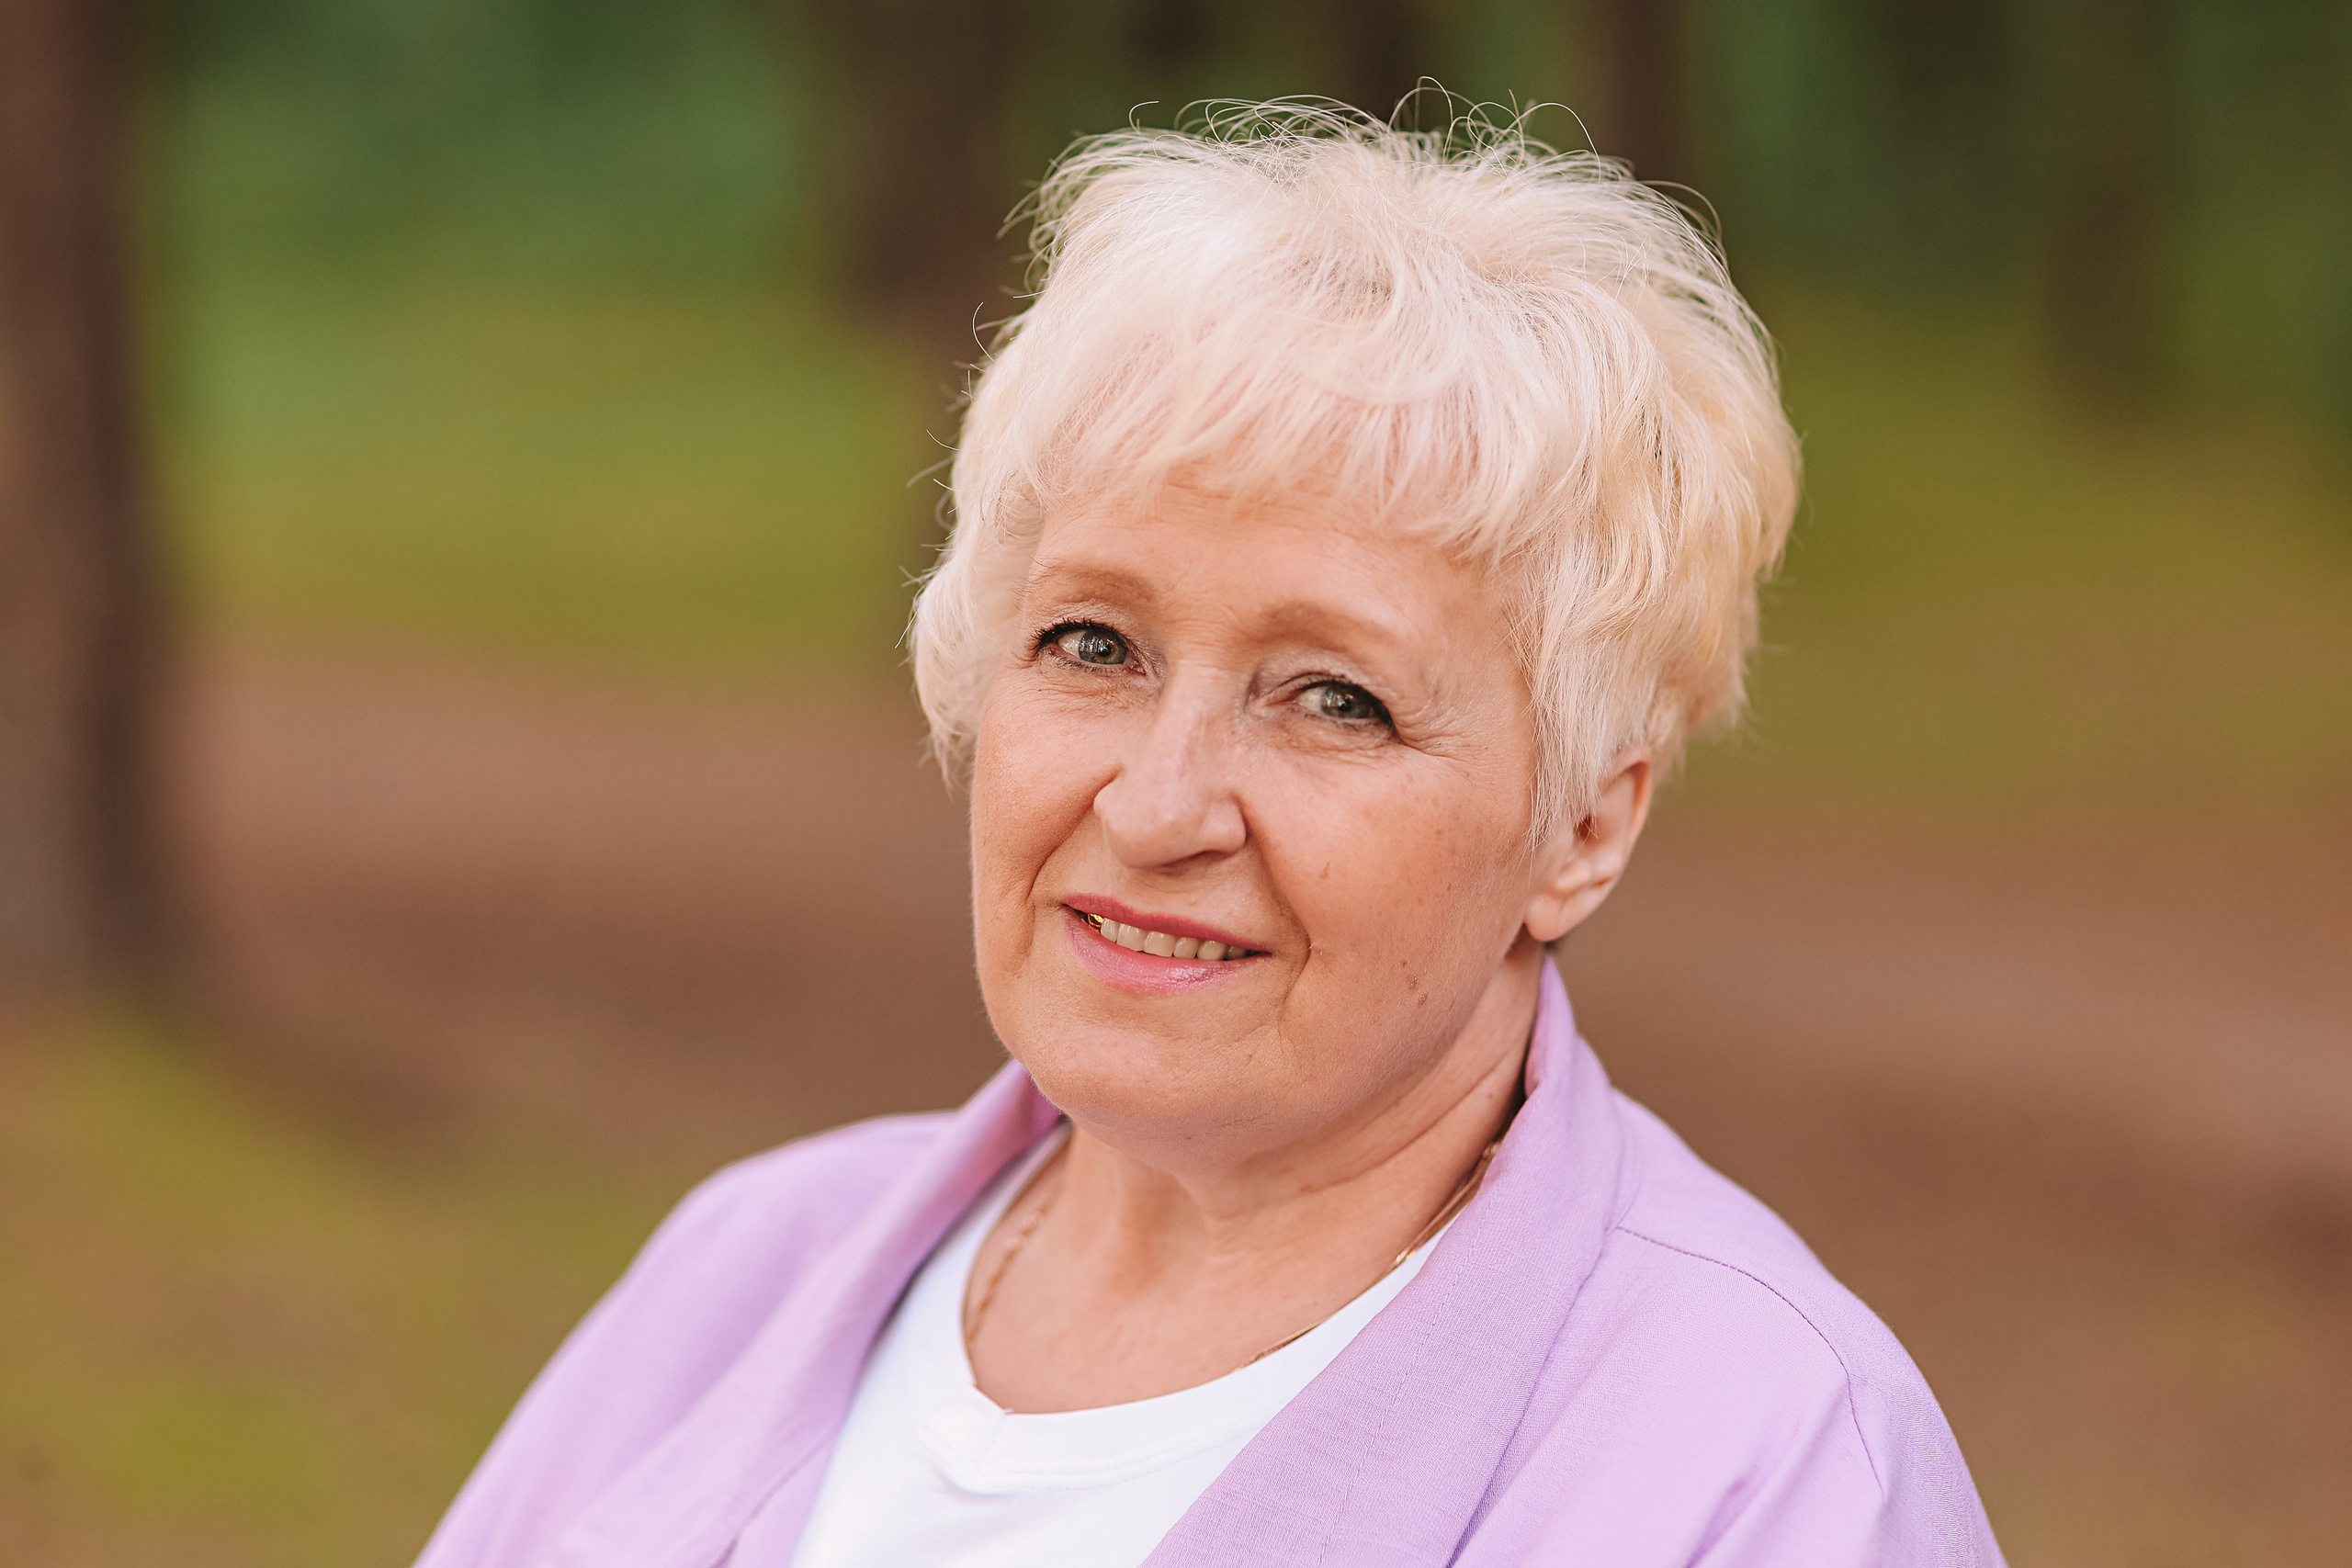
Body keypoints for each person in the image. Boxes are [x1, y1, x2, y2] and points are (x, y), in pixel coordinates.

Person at [415, 104, 2005, 1567]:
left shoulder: (1762, 1464)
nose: (1160, 806)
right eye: (1092, 645)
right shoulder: (748, 1275)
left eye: (1335, 699)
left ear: (1583, 825)